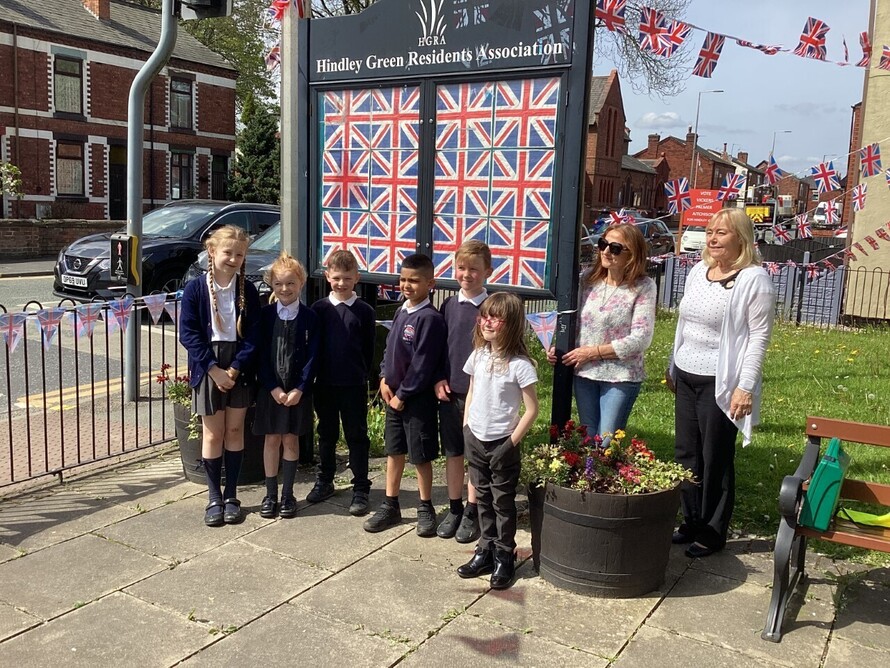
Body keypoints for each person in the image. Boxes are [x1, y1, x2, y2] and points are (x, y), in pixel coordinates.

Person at [667, 208, 776, 558]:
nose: (712, 238)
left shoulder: (754, 279)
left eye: (721, 233)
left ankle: (712, 532)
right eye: (710, 231)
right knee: (686, 453)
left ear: (740, 238)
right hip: (687, 374)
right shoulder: (699, 271)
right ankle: (690, 519)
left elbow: (759, 337)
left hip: (721, 382)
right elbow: (684, 323)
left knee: (715, 455)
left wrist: (745, 387)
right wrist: (672, 364)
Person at [456, 292, 539, 590]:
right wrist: (467, 427)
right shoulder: (478, 356)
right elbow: (471, 392)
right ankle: (485, 549)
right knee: (482, 498)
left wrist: (510, 444)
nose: (487, 322)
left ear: (511, 323)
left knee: (502, 502)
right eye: (484, 316)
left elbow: (532, 410)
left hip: (503, 443)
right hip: (475, 439)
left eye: (495, 318)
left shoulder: (520, 365)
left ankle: (505, 554)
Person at [179, 225, 260, 527]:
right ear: (212, 251)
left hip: (238, 366)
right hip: (208, 366)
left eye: (240, 254)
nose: (234, 259)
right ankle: (214, 497)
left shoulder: (248, 290)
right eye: (228, 252)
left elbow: (254, 335)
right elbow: (188, 333)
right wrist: (213, 370)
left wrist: (235, 369)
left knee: (235, 430)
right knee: (213, 434)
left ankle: (232, 495)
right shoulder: (195, 289)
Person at [547, 223, 656, 440]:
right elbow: (573, 322)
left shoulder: (643, 286)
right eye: (603, 244)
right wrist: (559, 347)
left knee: (606, 439)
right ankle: (588, 465)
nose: (606, 251)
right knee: (588, 436)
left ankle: (605, 463)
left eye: (615, 248)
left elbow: (641, 338)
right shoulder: (587, 280)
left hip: (621, 375)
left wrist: (592, 352)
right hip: (585, 372)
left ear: (632, 254)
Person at [363, 253, 446, 536]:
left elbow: (423, 363)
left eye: (414, 281)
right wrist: (384, 377)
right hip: (393, 396)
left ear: (430, 283)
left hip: (416, 400)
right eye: (403, 279)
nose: (407, 285)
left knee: (420, 455)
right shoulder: (401, 311)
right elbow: (390, 348)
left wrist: (404, 394)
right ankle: (391, 504)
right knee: (394, 450)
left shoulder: (430, 319)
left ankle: (426, 507)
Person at [309, 250, 376, 516]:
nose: (341, 283)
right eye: (336, 278)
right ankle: (325, 479)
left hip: (353, 384)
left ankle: (361, 486)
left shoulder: (364, 311)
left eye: (347, 278)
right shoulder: (319, 309)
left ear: (356, 278)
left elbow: (369, 349)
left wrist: (362, 374)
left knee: (356, 436)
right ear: (327, 276)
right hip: (324, 383)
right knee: (326, 433)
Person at [434, 240, 492, 543]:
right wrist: (438, 378)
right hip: (451, 392)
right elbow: (438, 348)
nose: (466, 274)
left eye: (474, 269)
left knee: (476, 456)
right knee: (453, 451)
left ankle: (473, 510)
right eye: (461, 267)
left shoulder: (492, 308)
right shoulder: (448, 306)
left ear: (488, 272)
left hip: (480, 396)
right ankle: (454, 507)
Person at [253, 253, 319, 519]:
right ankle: (270, 494)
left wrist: (300, 388)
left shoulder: (310, 317)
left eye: (291, 283)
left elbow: (313, 356)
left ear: (301, 282)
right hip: (271, 390)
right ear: (271, 284)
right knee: (271, 439)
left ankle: (288, 494)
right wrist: (272, 387)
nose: (284, 289)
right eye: (278, 283)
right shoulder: (265, 315)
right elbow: (259, 354)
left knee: (291, 439)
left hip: (297, 391)